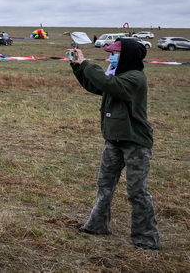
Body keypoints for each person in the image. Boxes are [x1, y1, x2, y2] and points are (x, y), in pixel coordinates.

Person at [67, 38, 160, 250]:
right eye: (110, 53)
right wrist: (77, 67)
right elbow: (97, 84)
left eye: (115, 54)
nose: (111, 57)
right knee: (104, 185)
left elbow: (110, 85)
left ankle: (146, 238)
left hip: (135, 142)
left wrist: (87, 64)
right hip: (114, 140)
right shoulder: (117, 76)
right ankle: (97, 226)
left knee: (137, 191)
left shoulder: (134, 78)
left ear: (127, 56)